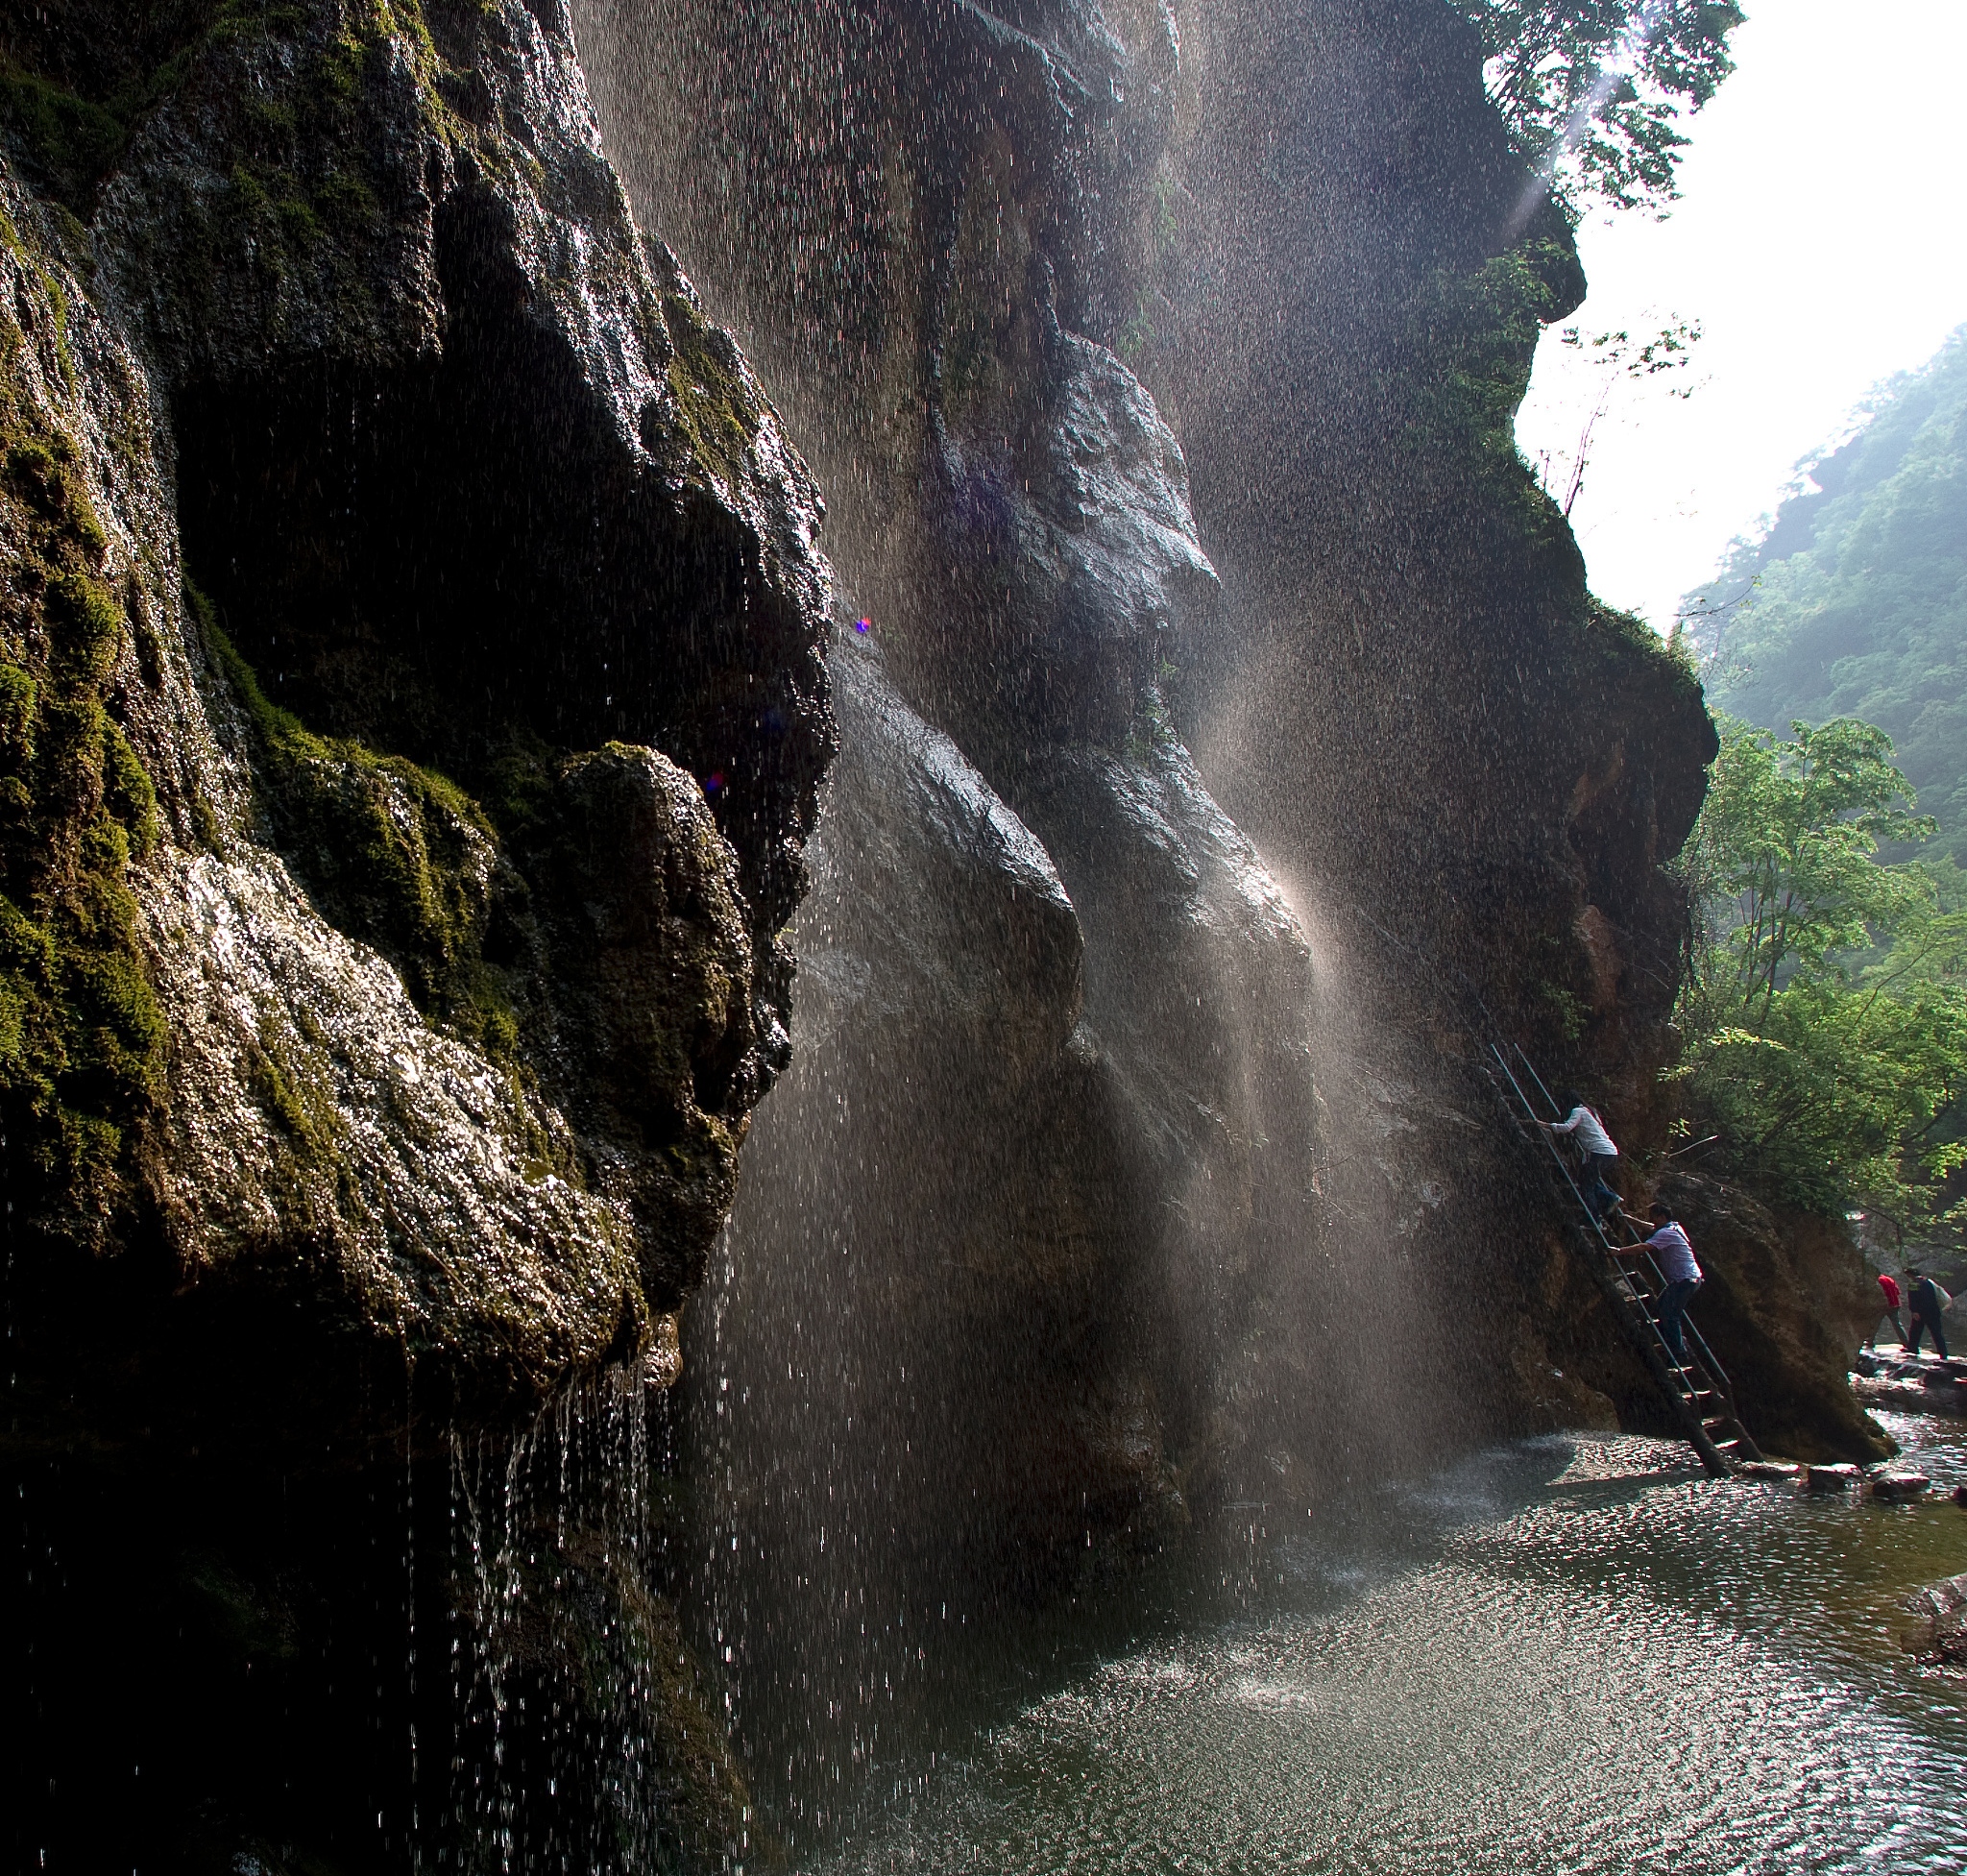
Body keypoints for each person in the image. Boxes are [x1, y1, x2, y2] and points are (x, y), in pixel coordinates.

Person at [1540, 1093, 1623, 1227]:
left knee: (1586, 1186)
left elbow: (1567, 1127)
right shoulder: (1591, 1112)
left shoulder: (1577, 1111)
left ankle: (1594, 1221)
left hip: (1599, 1152)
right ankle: (1610, 1198)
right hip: (1610, 1152)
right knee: (1587, 1179)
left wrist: (1547, 1125)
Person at [1644, 1202, 1703, 1367]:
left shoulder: (1667, 1233)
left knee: (1670, 1314)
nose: (1653, 1222)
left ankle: (1678, 1353)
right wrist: (1630, 1219)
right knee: (1662, 1307)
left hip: (1684, 1280)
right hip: (1688, 1278)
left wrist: (1619, 1251)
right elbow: (1652, 1228)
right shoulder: (1675, 1228)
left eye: (1654, 1218)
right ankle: (1670, 1344)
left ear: (1662, 1217)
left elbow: (1645, 1247)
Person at [1906, 1270, 1953, 1359]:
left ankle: (1913, 1348)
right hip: (1934, 1311)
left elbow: (1913, 1298)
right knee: (1937, 1333)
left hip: (1921, 1312)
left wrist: (1914, 1311)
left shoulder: (1913, 1284)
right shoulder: (1929, 1282)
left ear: (1910, 1275)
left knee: (1915, 1331)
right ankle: (1943, 1353)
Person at [1870, 1270, 1906, 1350]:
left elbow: (1877, 1293)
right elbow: (1897, 1292)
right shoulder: (1889, 1279)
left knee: (1875, 1323)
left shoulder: (1877, 1281)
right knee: (1897, 1324)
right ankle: (1906, 1343)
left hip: (1884, 1304)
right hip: (1895, 1303)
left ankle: (1870, 1341)